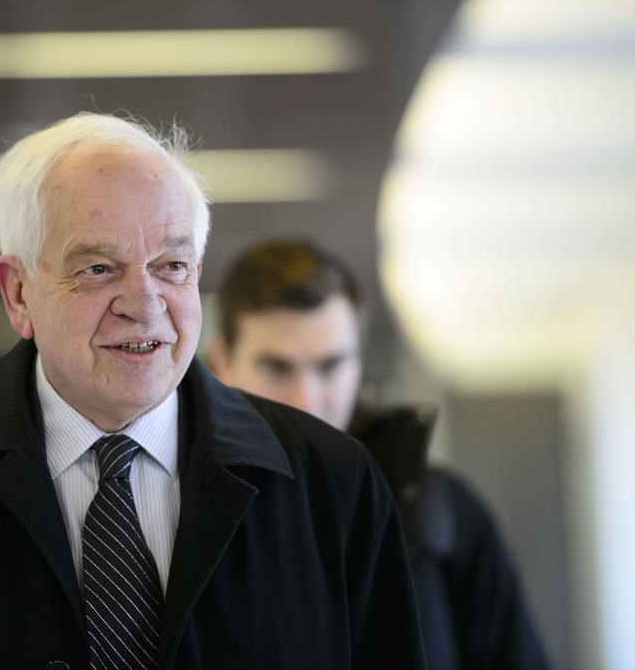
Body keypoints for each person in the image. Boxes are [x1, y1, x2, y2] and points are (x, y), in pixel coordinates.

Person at [0, 114, 427, 669]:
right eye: (98, 268)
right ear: (19, 294)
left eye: (170, 266)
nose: (144, 304)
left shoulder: (331, 483)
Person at [210, 238, 551, 670]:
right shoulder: (181, 506)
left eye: (330, 366)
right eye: (276, 368)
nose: (306, 400)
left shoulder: (442, 510)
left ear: (358, 363)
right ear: (222, 362)